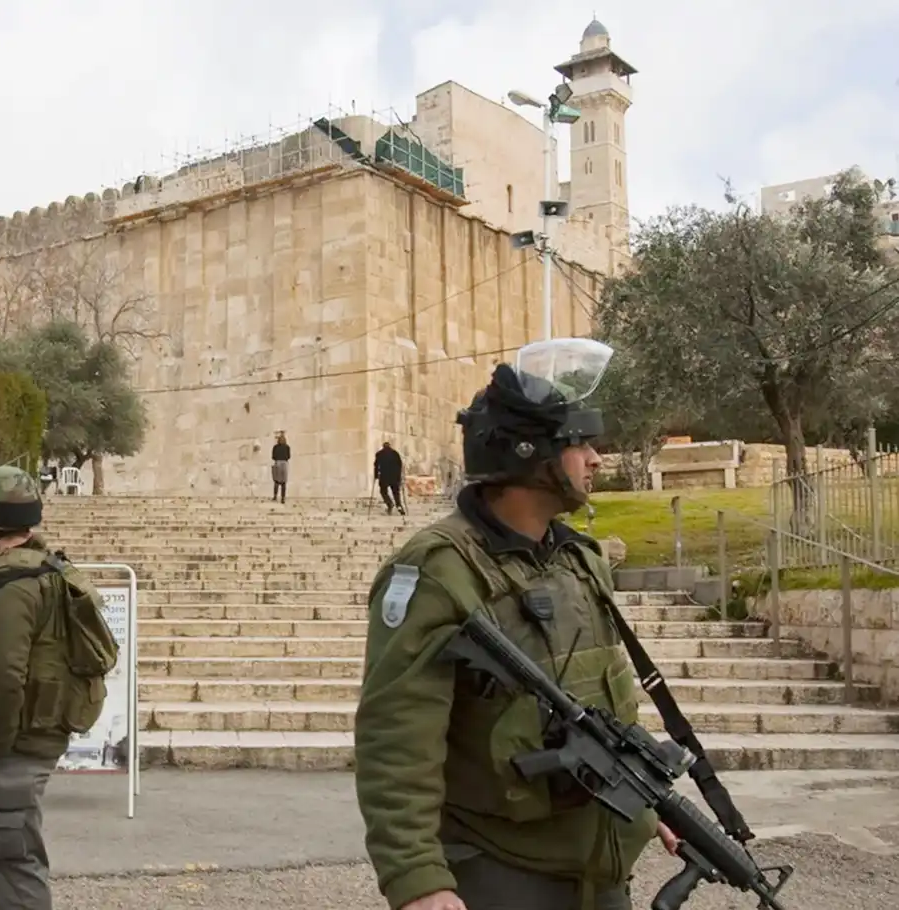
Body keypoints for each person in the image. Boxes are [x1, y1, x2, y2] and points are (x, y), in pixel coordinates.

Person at [353, 338, 678, 910]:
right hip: (505, 874)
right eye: (579, 443)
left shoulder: (580, 559)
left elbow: (609, 699)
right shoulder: (438, 571)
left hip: (600, 873)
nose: (596, 460)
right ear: (534, 454)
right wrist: (418, 879)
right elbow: (396, 737)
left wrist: (645, 799)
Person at [0, 465, 117, 910]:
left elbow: (2, 677)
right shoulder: (43, 570)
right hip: (31, 734)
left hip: (14, 742)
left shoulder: (10, 588)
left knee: (13, 859)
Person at [374, 441, 405, 515]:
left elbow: (376, 465)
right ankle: (399, 506)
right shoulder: (395, 453)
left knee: (383, 492)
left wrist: (376, 476)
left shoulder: (379, 454)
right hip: (394, 477)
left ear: (383, 447)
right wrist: (400, 476)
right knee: (396, 493)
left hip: (384, 476)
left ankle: (389, 504)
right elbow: (400, 465)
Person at [271, 431, 290, 503]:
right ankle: (283, 498)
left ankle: (275, 496)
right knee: (284, 482)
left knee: (276, 481)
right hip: (285, 464)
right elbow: (288, 456)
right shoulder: (287, 447)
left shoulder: (275, 447)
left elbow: (273, 457)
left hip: (277, 463)